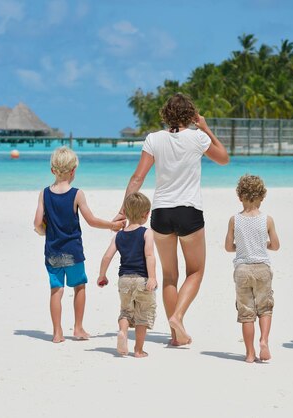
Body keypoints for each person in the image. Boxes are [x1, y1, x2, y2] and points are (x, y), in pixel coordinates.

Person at [114, 93, 229, 346]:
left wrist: (124, 210)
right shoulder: (198, 138)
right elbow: (223, 158)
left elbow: (137, 178)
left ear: (165, 114)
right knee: (196, 271)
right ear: (191, 115)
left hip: (161, 213)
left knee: (169, 276)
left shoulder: (154, 139)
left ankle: (176, 336)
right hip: (189, 211)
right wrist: (207, 129)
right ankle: (178, 317)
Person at [33, 146, 124, 343]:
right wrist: (112, 225)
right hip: (73, 251)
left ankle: (57, 333)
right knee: (80, 287)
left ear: (52, 170)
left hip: (52, 252)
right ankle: (78, 327)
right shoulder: (77, 194)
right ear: (73, 171)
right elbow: (91, 220)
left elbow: (37, 223)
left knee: (56, 290)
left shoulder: (44, 194)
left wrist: (43, 231)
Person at [225, 175, 280, 363]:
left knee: (246, 312)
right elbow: (276, 245)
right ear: (262, 197)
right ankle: (264, 340)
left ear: (240, 196)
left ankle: (249, 353)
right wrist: (263, 244)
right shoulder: (267, 220)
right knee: (265, 308)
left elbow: (228, 247)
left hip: (242, 269)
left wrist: (240, 248)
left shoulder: (235, 220)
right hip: (262, 268)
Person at [97, 192, 157, 358]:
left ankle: (123, 332)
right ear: (146, 214)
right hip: (142, 279)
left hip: (124, 280)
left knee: (125, 311)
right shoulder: (147, 233)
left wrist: (102, 275)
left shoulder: (119, 235)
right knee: (142, 314)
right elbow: (149, 256)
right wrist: (152, 277)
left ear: (127, 214)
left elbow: (107, 256)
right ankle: (138, 350)